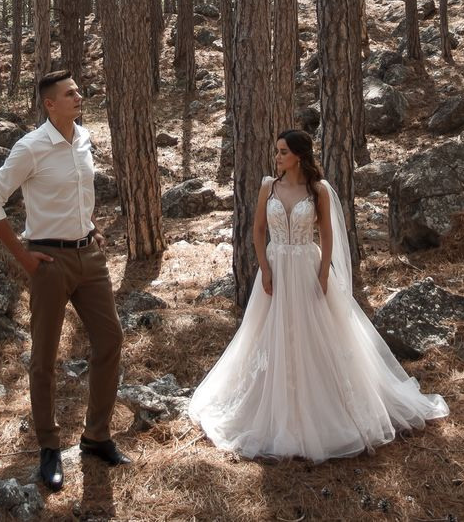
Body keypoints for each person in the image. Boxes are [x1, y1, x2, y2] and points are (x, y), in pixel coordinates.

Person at [187, 128, 449, 461]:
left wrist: (324, 272)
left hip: (307, 268)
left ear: (298, 155)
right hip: (277, 269)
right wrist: (265, 270)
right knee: (269, 335)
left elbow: (327, 235)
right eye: (277, 151)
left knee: (319, 336)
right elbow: (257, 231)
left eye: (283, 151)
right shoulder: (268, 186)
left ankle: (323, 407)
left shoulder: (318, 190)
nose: (277, 156)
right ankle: (275, 406)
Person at [0, 72, 128, 493]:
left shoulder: (83, 137)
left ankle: (96, 436)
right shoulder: (30, 147)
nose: (80, 96)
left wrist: (92, 227)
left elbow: (78, 192)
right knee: (44, 357)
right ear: (49, 104)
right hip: (48, 260)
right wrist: (24, 257)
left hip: (90, 257)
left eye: (78, 91)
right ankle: (49, 446)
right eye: (71, 93)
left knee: (111, 339)